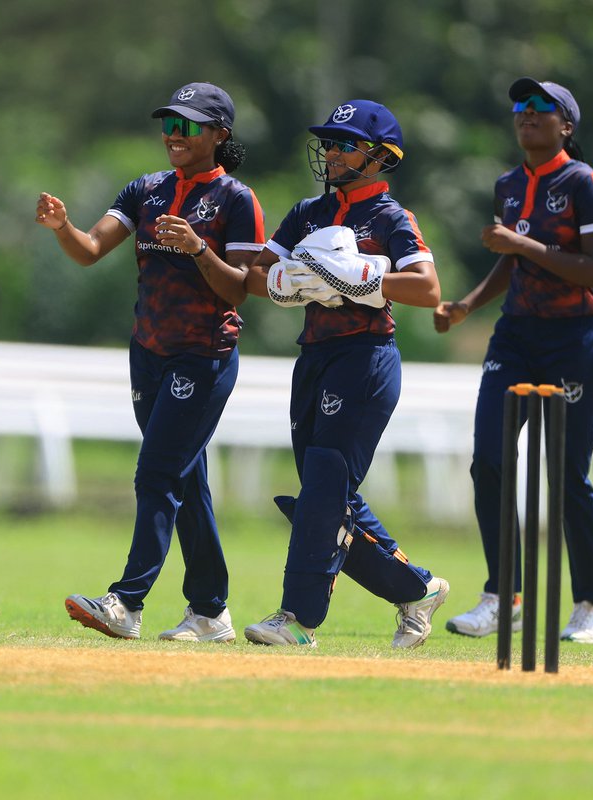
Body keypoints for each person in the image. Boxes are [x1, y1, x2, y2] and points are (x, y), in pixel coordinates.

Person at [37, 83, 264, 643]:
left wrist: (197, 248)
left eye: (187, 126)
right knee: (184, 481)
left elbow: (240, 291)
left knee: (157, 474)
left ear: (218, 135)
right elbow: (90, 249)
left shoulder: (238, 200)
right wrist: (63, 226)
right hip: (149, 354)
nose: (173, 135)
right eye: (169, 124)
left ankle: (127, 603)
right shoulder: (147, 189)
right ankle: (210, 612)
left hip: (203, 356)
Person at [240, 99, 449, 648]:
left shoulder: (391, 219)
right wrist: (287, 283)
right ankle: (417, 588)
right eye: (329, 142)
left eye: (344, 143)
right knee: (329, 494)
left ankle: (298, 619)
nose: (330, 152)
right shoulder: (306, 212)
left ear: (379, 156)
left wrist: (362, 278)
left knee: (326, 488)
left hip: (365, 358)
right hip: (313, 356)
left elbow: (427, 289)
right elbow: (257, 276)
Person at [435, 78, 593, 644]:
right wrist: (466, 303)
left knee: (566, 477)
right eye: (520, 107)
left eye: (541, 108)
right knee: (489, 459)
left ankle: (591, 602)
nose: (527, 115)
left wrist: (523, 246)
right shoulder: (508, 184)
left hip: (573, 338)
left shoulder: (583, 182)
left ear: (566, 125)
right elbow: (513, 266)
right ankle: (502, 596)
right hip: (515, 336)